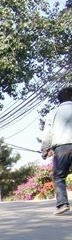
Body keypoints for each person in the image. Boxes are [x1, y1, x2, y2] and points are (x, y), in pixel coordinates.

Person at [40, 86, 72, 216]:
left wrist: (44, 149)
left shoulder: (53, 113)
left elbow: (47, 132)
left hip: (62, 148)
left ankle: (63, 204)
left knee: (59, 176)